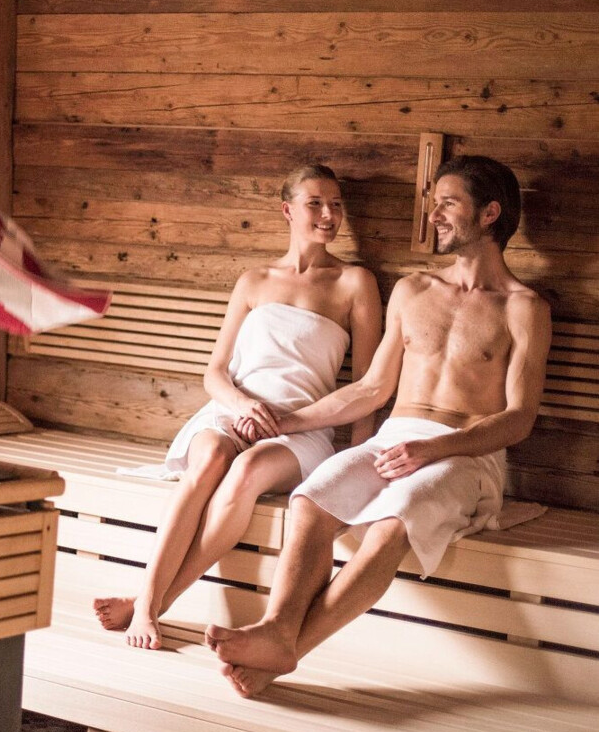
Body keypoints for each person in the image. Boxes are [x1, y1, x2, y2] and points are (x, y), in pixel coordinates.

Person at [207, 155, 551, 699]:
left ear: (490, 213)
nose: (434, 215)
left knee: (395, 519)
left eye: (447, 203)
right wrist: (289, 422)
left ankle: (288, 653)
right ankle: (275, 629)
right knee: (310, 500)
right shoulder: (413, 291)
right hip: (395, 439)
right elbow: (370, 389)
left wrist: (435, 448)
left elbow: (519, 419)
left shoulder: (523, 308)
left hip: (466, 455)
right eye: (432, 202)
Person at [93, 165, 382, 649]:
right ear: (287, 210)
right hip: (234, 411)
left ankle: (154, 605)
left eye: (336, 204)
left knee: (246, 471)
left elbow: (368, 387)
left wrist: (359, 464)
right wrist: (244, 405)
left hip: (301, 429)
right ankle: (145, 601)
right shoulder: (253, 280)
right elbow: (215, 372)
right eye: (316, 203)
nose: (329, 215)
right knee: (209, 459)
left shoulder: (355, 283)